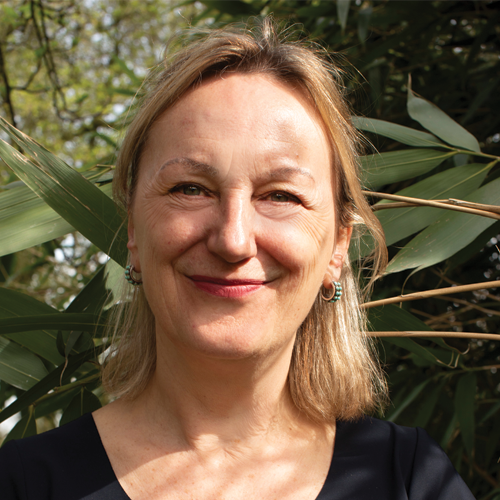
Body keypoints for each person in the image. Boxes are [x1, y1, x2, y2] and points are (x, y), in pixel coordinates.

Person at [0, 18, 475, 500]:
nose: (233, 240)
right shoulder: (21, 484)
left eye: (281, 195)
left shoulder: (412, 481)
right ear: (134, 233)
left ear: (338, 246)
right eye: (191, 189)